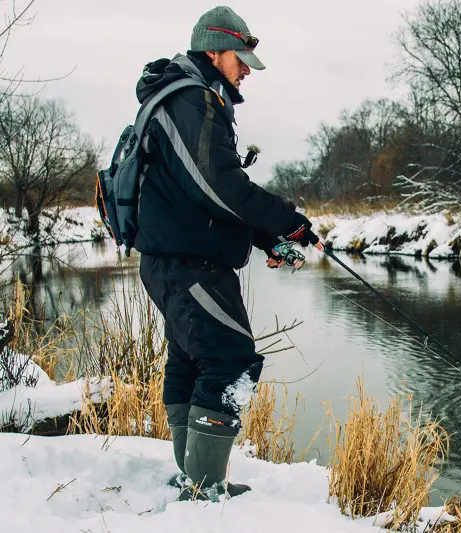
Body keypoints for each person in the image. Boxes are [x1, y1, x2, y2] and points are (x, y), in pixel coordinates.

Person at [134, 6, 322, 501]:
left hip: (174, 259)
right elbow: (218, 187)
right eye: (239, 60)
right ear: (213, 51)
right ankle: (203, 489)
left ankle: (194, 480)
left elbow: (199, 196)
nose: (245, 72)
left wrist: (266, 240)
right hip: (187, 262)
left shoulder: (186, 98)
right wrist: (288, 220)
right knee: (232, 361)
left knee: (193, 360)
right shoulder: (192, 100)